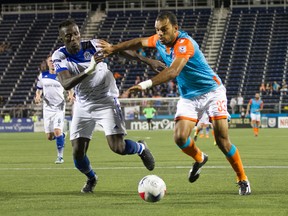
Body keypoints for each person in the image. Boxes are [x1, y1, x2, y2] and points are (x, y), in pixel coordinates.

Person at [99, 11, 251, 195]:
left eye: (164, 30)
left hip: (212, 92)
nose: (160, 34)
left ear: (176, 29)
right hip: (189, 96)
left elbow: (173, 72)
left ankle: (242, 179)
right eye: (157, 30)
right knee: (179, 138)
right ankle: (200, 158)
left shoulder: (184, 44)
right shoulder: (159, 40)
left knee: (222, 140)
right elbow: (139, 42)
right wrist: (114, 48)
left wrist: (145, 84)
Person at [52, 19, 166, 193]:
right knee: (77, 153)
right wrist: (89, 69)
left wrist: (147, 61)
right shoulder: (59, 56)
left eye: (76, 34)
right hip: (83, 104)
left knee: (117, 148)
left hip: (106, 101)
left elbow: (120, 51)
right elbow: (66, 83)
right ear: (62, 39)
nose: (73, 38)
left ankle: (141, 148)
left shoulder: (95, 44)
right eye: (68, 36)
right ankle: (92, 178)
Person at [35, 54, 72, 164]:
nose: (51, 62)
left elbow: (69, 86)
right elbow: (39, 88)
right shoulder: (42, 76)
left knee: (56, 131)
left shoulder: (61, 75)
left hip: (59, 107)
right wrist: (37, 96)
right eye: (49, 61)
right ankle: (62, 136)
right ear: (47, 63)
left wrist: (70, 94)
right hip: (47, 108)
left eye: (53, 61)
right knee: (50, 137)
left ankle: (60, 157)